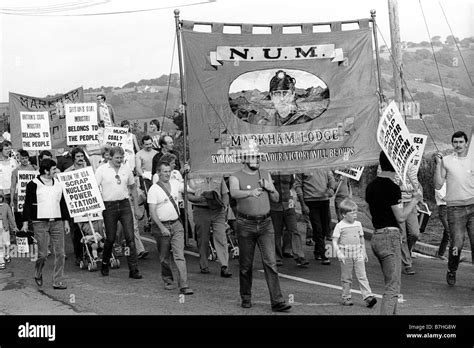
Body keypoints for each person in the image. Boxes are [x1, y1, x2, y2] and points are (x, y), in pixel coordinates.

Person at [229, 140, 291, 312]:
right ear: (245, 159)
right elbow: (234, 193)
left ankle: (277, 301)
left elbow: (276, 199)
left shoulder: (265, 173)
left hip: (266, 223)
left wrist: (271, 188)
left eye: (258, 157)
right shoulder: (235, 176)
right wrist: (250, 192)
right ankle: (246, 297)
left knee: (271, 262)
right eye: (253, 157)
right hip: (245, 224)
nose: (257, 160)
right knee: (246, 264)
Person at [366, 151, 422, 315]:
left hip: (376, 237)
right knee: (392, 288)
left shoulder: (371, 186)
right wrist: (415, 200)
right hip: (389, 238)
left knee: (391, 283)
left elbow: (368, 211)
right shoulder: (392, 187)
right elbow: (401, 217)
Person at [95, 146, 143, 279]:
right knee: (110, 238)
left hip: (124, 204)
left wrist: (136, 207)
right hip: (109, 206)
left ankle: (133, 269)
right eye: (117, 158)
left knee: (130, 238)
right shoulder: (102, 170)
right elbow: (94, 187)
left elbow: (133, 187)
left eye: (121, 158)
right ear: (110, 157)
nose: (120, 160)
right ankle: (105, 262)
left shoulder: (126, 169)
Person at [22, 158, 71, 289]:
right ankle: (38, 272)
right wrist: (25, 222)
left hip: (57, 222)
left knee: (61, 253)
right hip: (40, 223)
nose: (56, 171)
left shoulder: (58, 184)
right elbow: (27, 204)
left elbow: (63, 204)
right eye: (54, 169)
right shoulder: (33, 184)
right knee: (43, 254)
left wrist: (66, 221)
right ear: (46, 171)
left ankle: (58, 280)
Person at [434, 130, 474, 287]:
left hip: (473, 207)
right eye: (455, 142)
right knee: (457, 244)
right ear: (452, 144)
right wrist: (438, 165)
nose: (458, 145)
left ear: (466, 143)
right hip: (455, 209)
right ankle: (452, 269)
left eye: (461, 142)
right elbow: (438, 184)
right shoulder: (446, 160)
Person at [147, 162, 193, 295]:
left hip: (176, 224)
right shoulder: (153, 190)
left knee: (179, 255)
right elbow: (152, 212)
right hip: (161, 226)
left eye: (169, 171)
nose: (167, 174)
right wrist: (161, 227)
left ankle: (184, 285)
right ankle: (167, 279)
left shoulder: (175, 183)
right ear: (158, 173)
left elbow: (190, 188)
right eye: (164, 171)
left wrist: (188, 175)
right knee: (164, 257)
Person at [332, 198, 377, 307]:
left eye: (355, 212)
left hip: (358, 254)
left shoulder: (358, 224)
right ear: (343, 214)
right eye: (352, 212)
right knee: (347, 277)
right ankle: (346, 297)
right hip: (345, 255)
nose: (355, 214)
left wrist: (364, 252)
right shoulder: (340, 226)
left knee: (362, 275)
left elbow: (361, 239)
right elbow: (334, 240)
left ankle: (368, 296)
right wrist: (338, 253)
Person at [188, 172, 232, 277]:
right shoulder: (192, 175)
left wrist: (225, 205)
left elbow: (225, 193)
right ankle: (204, 264)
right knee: (203, 238)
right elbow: (188, 195)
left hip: (218, 210)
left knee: (221, 237)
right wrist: (200, 199)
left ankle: (224, 266)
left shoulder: (219, 174)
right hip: (201, 209)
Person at [294, 169, 336, 265]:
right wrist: (303, 205)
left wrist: (331, 188)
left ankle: (317, 251)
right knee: (317, 228)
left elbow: (331, 178)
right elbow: (298, 186)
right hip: (310, 201)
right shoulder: (302, 167)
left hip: (324, 200)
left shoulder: (323, 163)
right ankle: (323, 254)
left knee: (325, 228)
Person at [270, 173, 308, 267]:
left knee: (294, 230)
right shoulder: (269, 171)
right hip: (274, 205)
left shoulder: (287, 171)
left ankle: (299, 256)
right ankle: (277, 257)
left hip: (288, 204)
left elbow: (291, 184)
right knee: (276, 232)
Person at [394, 162, 422, 275]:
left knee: (415, 233)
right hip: (397, 203)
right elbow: (390, 185)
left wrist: (406, 187)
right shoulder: (389, 164)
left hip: (410, 202)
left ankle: (406, 252)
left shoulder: (410, 165)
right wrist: (404, 186)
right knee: (402, 235)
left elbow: (415, 184)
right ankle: (407, 263)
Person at [10, 150, 36, 229]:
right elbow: (13, 187)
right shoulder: (15, 171)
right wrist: (11, 200)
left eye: (26, 158)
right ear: (19, 159)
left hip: (31, 197)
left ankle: (32, 239)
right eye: (22, 158)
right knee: (21, 218)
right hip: (20, 198)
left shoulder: (33, 169)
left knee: (31, 219)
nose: (24, 160)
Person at [0, 192, 18, 269]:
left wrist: (14, 226)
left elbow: (10, 217)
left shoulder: (6, 206)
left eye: (1, 197)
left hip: (5, 227)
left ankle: (6, 255)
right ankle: (1, 261)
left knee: (7, 243)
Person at [434, 182, 449, 261]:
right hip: (444, 208)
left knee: (448, 232)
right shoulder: (440, 183)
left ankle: (440, 253)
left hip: (452, 208)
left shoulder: (451, 181)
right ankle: (454, 255)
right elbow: (443, 197)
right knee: (450, 231)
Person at [0, 141, 17, 205]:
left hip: (14, 193)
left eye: (9, 149)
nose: (8, 151)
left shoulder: (14, 161)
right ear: (1, 150)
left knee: (14, 214)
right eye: (6, 149)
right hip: (2, 194)